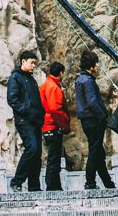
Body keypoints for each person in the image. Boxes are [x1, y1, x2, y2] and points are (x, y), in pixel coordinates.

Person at [74, 52, 115, 190]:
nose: (97, 66)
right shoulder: (88, 81)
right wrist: (102, 116)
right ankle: (90, 182)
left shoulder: (80, 79)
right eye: (96, 63)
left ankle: (108, 183)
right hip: (93, 119)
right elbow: (92, 102)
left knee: (98, 152)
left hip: (86, 119)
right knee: (94, 151)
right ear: (90, 65)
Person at [7, 51, 45, 192]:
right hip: (24, 120)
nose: (34, 66)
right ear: (23, 61)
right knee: (32, 148)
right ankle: (16, 181)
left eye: (35, 63)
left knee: (37, 154)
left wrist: (40, 115)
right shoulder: (15, 77)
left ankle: (34, 186)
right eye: (31, 62)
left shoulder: (31, 79)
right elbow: (12, 99)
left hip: (35, 120)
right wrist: (25, 110)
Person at [40, 60, 69, 191]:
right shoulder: (54, 87)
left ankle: (55, 185)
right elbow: (55, 109)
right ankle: (52, 186)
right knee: (54, 159)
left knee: (53, 158)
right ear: (61, 73)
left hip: (46, 125)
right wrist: (64, 125)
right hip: (53, 126)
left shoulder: (45, 85)